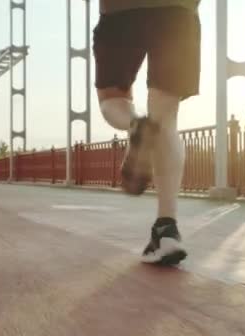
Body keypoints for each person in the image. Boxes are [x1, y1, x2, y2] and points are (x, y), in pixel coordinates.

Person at [94, 0, 201, 265]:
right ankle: (167, 230)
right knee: (165, 120)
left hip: (119, 10)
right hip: (178, 11)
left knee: (112, 99)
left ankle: (134, 125)